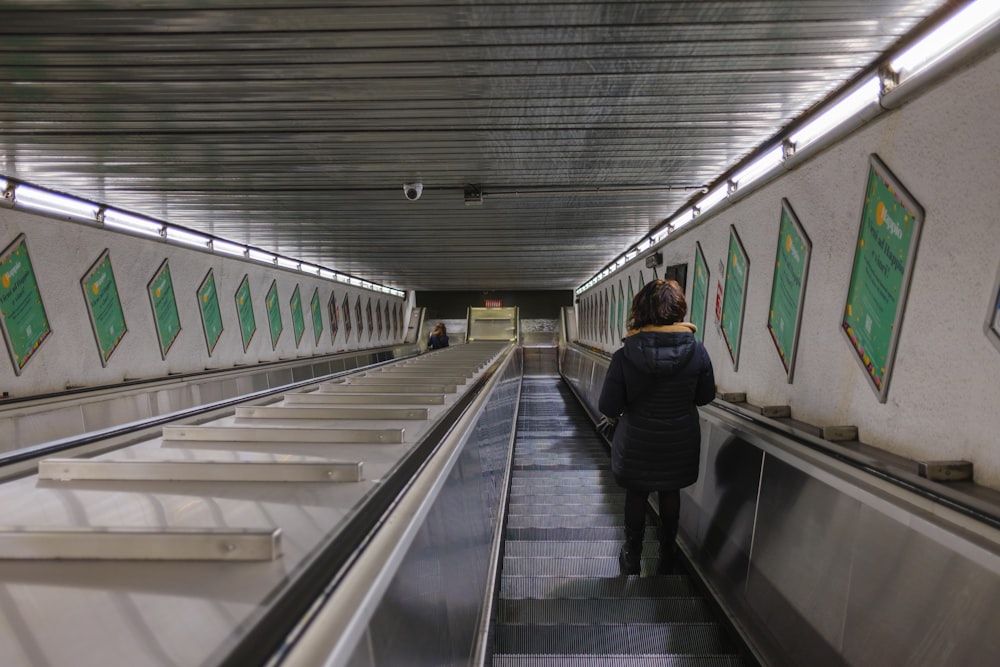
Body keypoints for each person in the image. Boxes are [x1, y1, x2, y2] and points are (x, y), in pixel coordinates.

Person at [598, 279, 715, 575]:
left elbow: (608, 406)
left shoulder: (625, 355)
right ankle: (667, 551)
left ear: (641, 310)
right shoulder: (697, 351)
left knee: (636, 493)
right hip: (680, 439)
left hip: (637, 439)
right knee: (670, 490)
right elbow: (705, 396)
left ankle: (632, 555)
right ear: (678, 309)